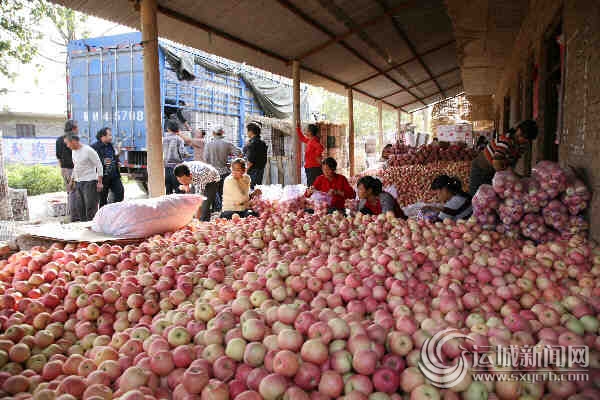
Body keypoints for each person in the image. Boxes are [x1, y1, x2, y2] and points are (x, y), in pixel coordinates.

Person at [469, 120, 538, 195]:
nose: (524, 140)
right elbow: (496, 163)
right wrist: (509, 178)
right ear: (518, 131)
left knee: (492, 197)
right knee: (478, 196)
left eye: (527, 139)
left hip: (493, 171)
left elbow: (511, 164)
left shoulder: (521, 146)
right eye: (523, 136)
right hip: (481, 169)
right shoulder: (506, 140)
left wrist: (515, 177)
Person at [65, 135, 104, 222]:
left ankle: (93, 226)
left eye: (68, 143)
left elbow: (99, 165)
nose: (67, 146)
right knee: (80, 207)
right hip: (79, 182)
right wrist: (71, 181)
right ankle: (84, 227)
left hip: (90, 181)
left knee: (90, 207)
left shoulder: (88, 150)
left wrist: (100, 182)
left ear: (74, 141)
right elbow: (76, 166)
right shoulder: (73, 151)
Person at [204, 127, 242, 211]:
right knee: (224, 194)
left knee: (212, 195)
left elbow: (205, 159)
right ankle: (225, 212)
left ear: (213, 133)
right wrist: (231, 163)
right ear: (222, 133)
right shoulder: (227, 144)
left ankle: (215, 213)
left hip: (212, 173)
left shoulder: (208, 144)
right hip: (224, 172)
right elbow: (239, 153)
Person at [92, 128, 124, 207]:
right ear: (103, 137)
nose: (111, 137)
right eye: (109, 135)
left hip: (114, 176)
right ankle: (103, 215)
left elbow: (113, 157)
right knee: (102, 199)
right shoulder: (94, 147)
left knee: (120, 192)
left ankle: (114, 211)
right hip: (103, 177)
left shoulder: (110, 145)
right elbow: (94, 162)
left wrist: (117, 161)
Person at [56, 120, 79, 221]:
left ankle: (70, 214)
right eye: (77, 127)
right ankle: (74, 217)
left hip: (64, 169)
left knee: (69, 192)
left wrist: (61, 169)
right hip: (72, 169)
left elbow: (58, 156)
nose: (78, 129)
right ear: (73, 128)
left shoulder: (59, 140)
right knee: (74, 192)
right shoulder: (72, 139)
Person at [163, 120, 189, 194]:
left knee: (168, 191)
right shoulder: (179, 139)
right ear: (177, 129)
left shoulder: (163, 139)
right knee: (179, 191)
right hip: (177, 169)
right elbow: (182, 153)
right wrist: (187, 155)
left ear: (168, 129)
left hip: (167, 168)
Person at [243, 121, 268, 189]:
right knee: (256, 190)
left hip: (253, 171)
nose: (247, 133)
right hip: (260, 170)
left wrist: (245, 171)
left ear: (251, 132)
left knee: (251, 190)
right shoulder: (262, 142)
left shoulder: (253, 143)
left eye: (247, 131)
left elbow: (250, 161)